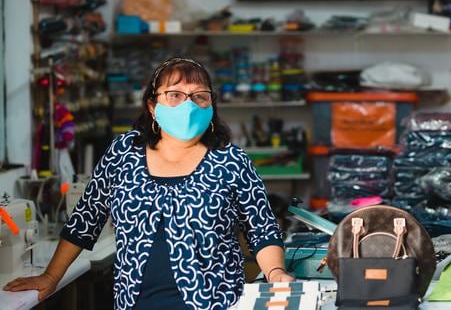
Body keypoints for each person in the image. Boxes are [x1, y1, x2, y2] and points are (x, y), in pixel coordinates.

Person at [3, 57, 294, 309]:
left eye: (199, 96)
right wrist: (51, 276)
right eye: (175, 95)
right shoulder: (124, 152)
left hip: (216, 302)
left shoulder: (231, 161)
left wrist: (276, 273)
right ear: (152, 106)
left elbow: (262, 229)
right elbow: (86, 218)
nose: (188, 105)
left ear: (211, 106)